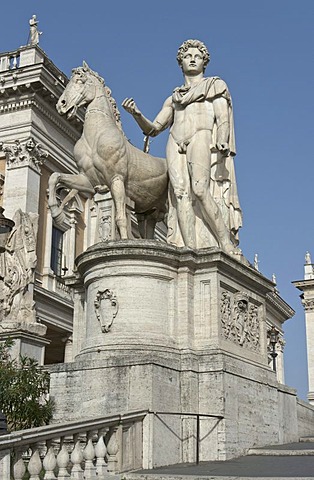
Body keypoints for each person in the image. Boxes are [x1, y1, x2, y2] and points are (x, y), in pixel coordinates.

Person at [122, 39, 242, 253]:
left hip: (201, 136)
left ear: (204, 62)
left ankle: (225, 243)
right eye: (188, 56)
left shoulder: (215, 86)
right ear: (181, 63)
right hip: (175, 141)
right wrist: (137, 114)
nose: (193, 59)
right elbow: (154, 128)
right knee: (180, 194)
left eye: (197, 56)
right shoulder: (174, 98)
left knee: (200, 189)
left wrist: (222, 138)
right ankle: (188, 248)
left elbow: (223, 117)